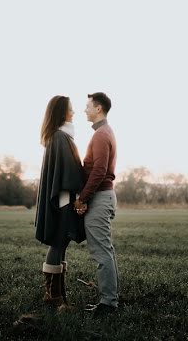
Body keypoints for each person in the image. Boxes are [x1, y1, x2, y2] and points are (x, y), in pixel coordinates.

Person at [34, 95, 86, 310]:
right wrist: (79, 196)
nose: (73, 113)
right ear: (61, 112)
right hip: (64, 202)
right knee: (58, 243)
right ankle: (53, 296)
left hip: (65, 200)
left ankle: (58, 294)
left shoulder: (60, 137)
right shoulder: (59, 138)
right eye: (70, 109)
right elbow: (67, 175)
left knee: (61, 245)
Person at [74, 92, 119, 315]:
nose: (84, 110)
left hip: (100, 198)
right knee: (106, 251)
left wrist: (82, 198)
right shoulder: (104, 132)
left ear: (98, 108)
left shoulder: (101, 135)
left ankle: (108, 304)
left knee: (101, 252)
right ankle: (110, 300)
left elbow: (99, 171)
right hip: (103, 196)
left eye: (88, 106)